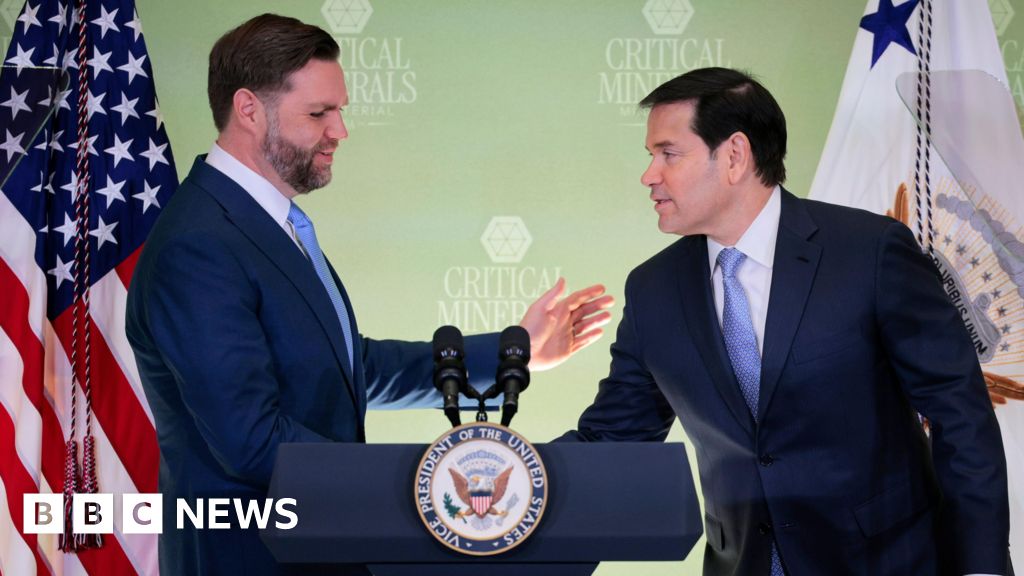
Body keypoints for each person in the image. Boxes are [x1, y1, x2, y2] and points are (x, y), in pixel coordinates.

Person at [125, 14, 613, 576]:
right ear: (249, 109)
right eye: (319, 113)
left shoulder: (264, 223)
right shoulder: (198, 246)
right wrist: (420, 492)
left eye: (340, 110)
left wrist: (514, 351)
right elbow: (252, 441)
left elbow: (347, 367)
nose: (340, 131)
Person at [561, 67, 1011, 576]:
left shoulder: (869, 252)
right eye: (651, 156)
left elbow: (960, 415)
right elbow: (612, 441)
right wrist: (508, 473)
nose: (649, 175)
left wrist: (981, 568)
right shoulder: (652, 290)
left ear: (734, 155)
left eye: (668, 154)